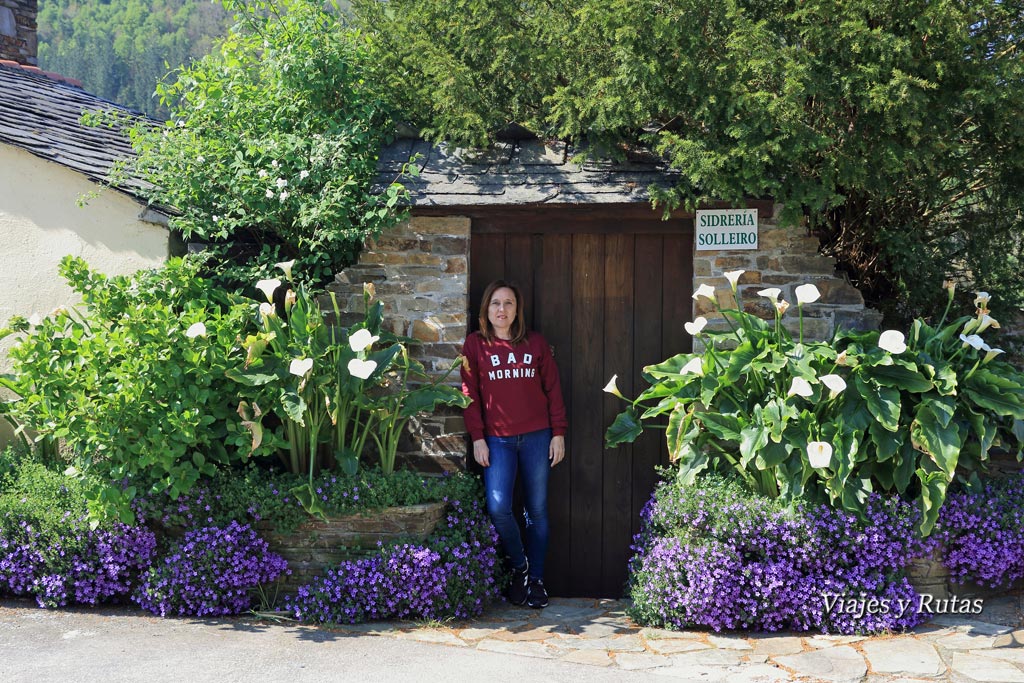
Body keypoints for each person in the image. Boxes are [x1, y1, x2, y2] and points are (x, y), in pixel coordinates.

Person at [460, 279, 567, 609]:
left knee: (536, 511)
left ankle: (535, 580)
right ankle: (520, 567)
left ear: (517, 309)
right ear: (486, 310)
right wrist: (478, 438)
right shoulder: (475, 346)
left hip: (537, 437)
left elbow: (553, 390)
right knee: (498, 507)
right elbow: (470, 396)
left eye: (508, 303)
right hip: (497, 440)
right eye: (495, 303)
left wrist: (558, 433)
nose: (501, 310)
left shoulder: (535, 343)